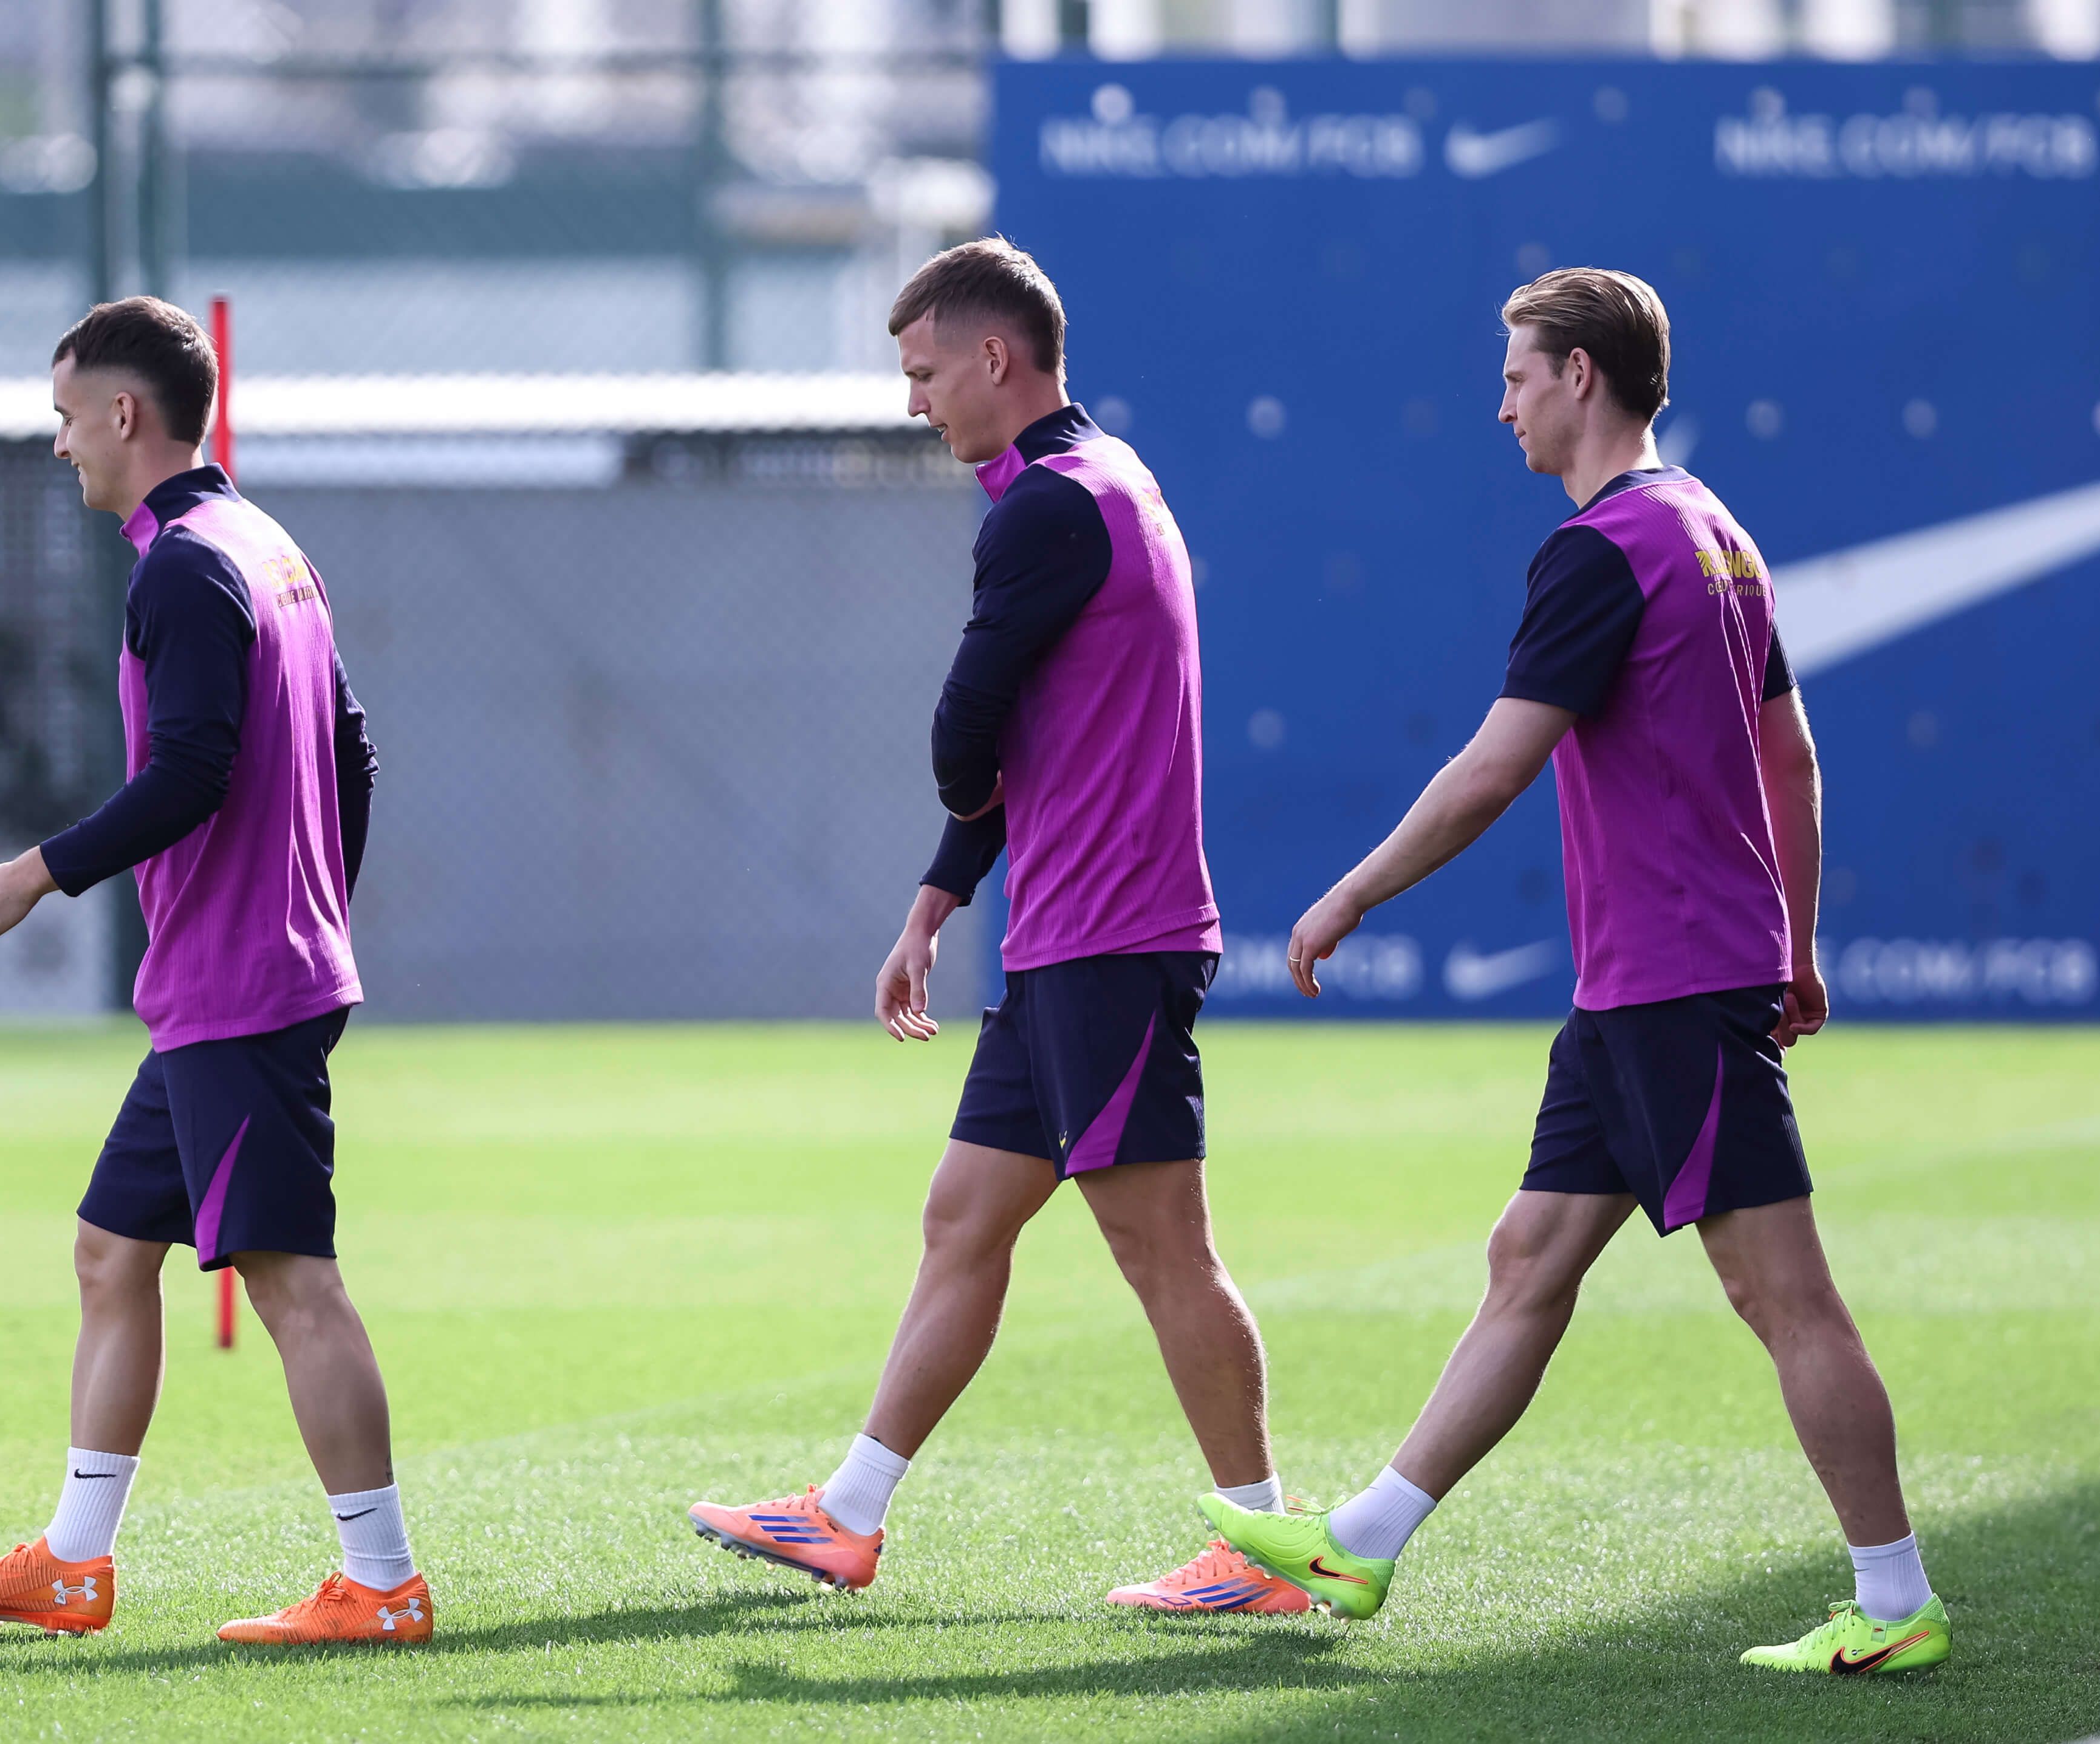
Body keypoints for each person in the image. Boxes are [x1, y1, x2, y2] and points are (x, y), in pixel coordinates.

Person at [1206, 268, 1949, 1675]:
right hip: (1645, 985)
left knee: (1783, 1297)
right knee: (1527, 1256)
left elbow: (1493, 765)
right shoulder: (1717, 533)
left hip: (1672, 980)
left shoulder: (1602, 548)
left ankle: (1893, 1595)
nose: (1500, 406)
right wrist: (1792, 942)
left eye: (1513, 376)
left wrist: (1351, 890)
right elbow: (1790, 759)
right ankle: (1360, 1540)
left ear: (1578, 377)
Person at [685, 239, 1307, 1616]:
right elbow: (1032, 738)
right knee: (962, 1218)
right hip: (1071, 934)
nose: (913, 402)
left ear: (993, 357)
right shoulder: (1105, 478)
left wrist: (959, 803)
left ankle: (1265, 1552)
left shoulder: (1045, 505)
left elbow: (966, 725)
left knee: (1161, 1248)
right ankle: (845, 1515)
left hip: (1108, 935)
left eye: (923, 374)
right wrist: (939, 896)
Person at [0, 296, 430, 1647]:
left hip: (241, 987)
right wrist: (310, 907)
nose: (61, 444)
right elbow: (353, 751)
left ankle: (382, 1584)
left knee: (290, 1281)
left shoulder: (186, 565)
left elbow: (191, 773)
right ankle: (73, 1564)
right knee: (108, 1253)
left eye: (67, 418)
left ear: (125, 413)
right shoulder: (262, 543)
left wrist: (36, 872)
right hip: (227, 981)